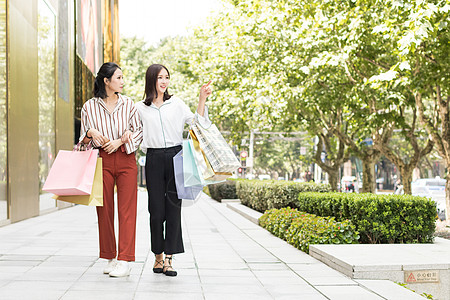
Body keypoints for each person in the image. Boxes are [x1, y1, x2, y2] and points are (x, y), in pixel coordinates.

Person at [135, 64, 212, 277]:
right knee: (155, 211)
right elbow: (134, 134)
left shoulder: (176, 104)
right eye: (160, 77)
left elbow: (197, 123)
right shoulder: (139, 107)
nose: (164, 81)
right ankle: (157, 256)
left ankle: (169, 259)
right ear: (151, 79)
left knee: (173, 209)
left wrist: (201, 100)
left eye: (167, 77)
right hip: (153, 158)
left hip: (175, 157)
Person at [79, 62, 143, 277]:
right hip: (101, 160)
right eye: (118, 78)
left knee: (127, 210)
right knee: (104, 209)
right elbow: (82, 144)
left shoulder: (129, 104)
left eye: (123, 77)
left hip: (126, 158)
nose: (122, 82)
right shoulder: (89, 107)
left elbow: (139, 132)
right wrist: (90, 133)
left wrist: (120, 142)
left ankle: (124, 260)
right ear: (106, 81)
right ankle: (110, 256)